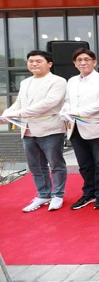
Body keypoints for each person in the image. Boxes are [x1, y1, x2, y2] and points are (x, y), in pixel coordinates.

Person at [1, 50, 67, 212]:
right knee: (36, 166)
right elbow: (19, 102)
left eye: (38, 61)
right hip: (27, 130)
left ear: (49, 64)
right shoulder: (26, 82)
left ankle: (58, 195)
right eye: (31, 61)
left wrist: (19, 113)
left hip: (50, 129)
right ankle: (43, 194)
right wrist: (7, 113)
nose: (34, 64)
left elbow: (49, 103)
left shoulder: (58, 81)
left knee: (56, 164)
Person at [61, 48, 99, 210]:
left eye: (87, 59)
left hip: (96, 128)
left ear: (94, 62)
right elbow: (67, 100)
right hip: (75, 128)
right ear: (75, 63)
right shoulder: (71, 81)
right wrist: (65, 110)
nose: (83, 63)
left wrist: (75, 112)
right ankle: (88, 193)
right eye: (79, 60)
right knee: (84, 164)